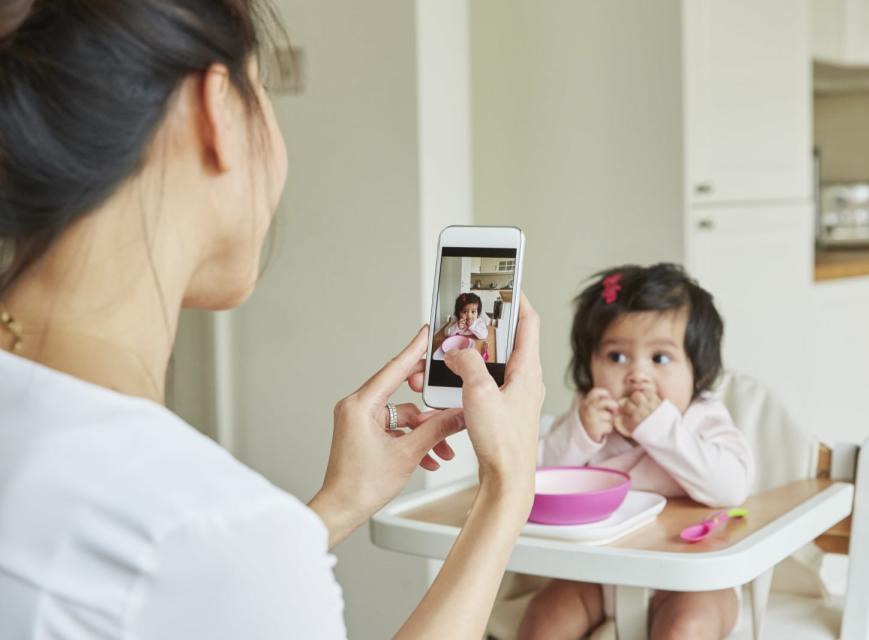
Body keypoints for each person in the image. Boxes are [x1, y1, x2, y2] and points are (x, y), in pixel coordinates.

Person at [0, 2, 544, 638]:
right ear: (218, 110)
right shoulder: (207, 528)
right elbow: (194, 568)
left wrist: (335, 505)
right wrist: (507, 488)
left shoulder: (204, 537)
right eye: (265, 93)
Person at [520, 264, 754, 640]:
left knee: (688, 627)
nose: (636, 375)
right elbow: (535, 481)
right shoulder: (589, 416)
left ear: (700, 372)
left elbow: (730, 487)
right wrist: (581, 434)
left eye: (660, 358)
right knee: (544, 617)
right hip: (597, 574)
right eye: (616, 357)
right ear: (589, 365)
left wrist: (659, 428)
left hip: (688, 578)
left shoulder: (700, 418)